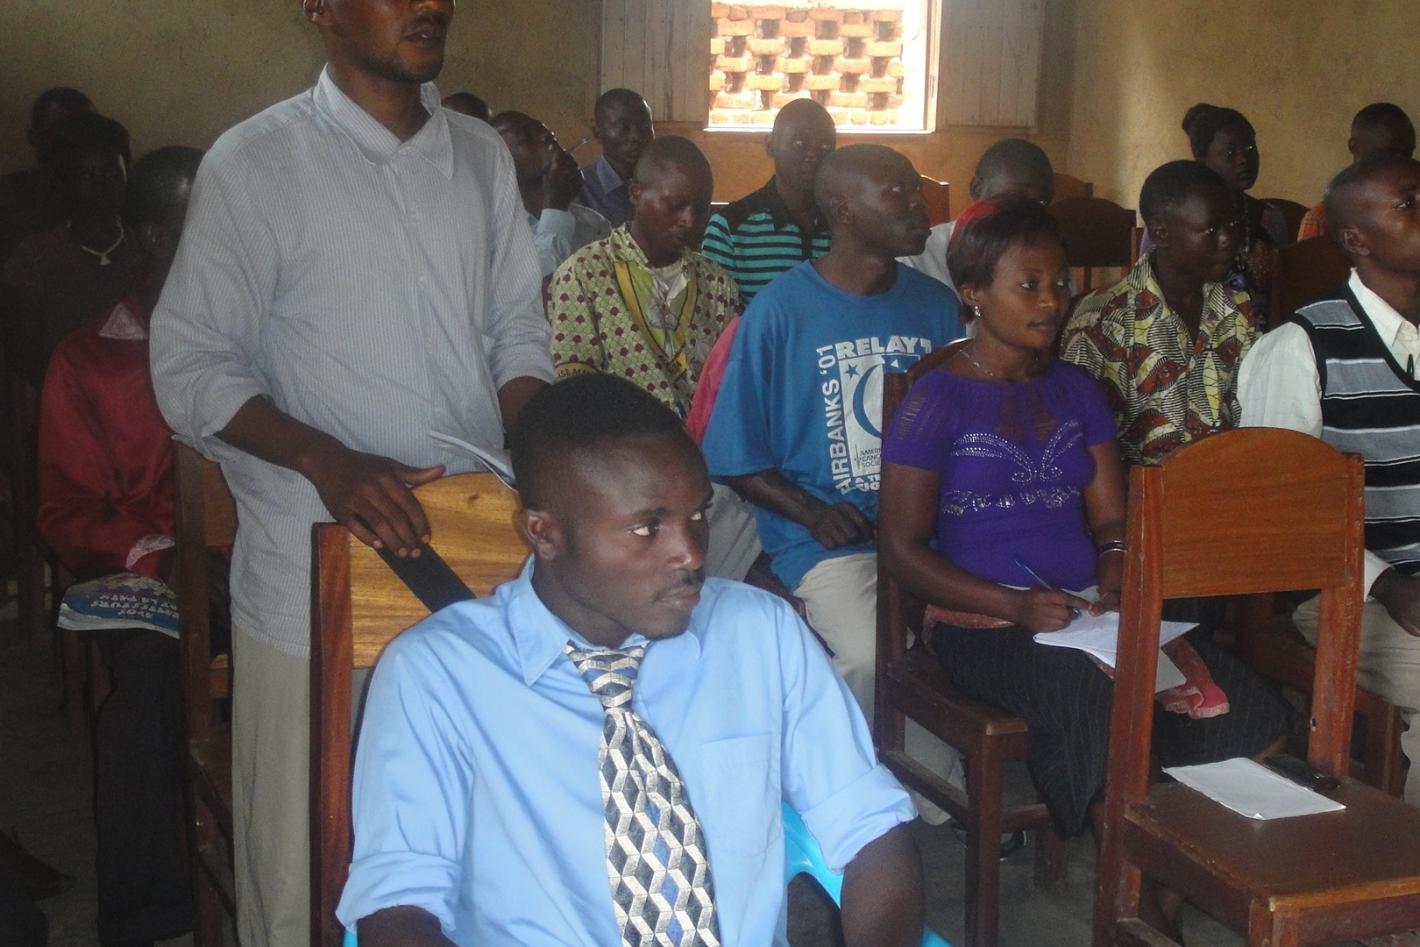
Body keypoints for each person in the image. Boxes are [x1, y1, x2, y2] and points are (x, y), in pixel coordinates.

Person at [148, 1, 554, 942]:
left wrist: (538, 450)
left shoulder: (479, 157)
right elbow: (190, 363)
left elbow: (516, 329)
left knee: (473, 856)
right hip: (313, 570)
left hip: (474, 568)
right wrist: (325, 460)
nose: (428, 4)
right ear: (319, 8)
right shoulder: (256, 164)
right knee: (307, 870)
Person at [337, 373, 924, 947]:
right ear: (544, 533)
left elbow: (870, 826)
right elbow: (397, 907)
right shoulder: (437, 674)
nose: (690, 553)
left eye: (698, 515)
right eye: (648, 528)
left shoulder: (758, 633)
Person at [879, 195, 1289, 843]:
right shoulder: (933, 403)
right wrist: (1013, 606)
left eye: (1061, 283)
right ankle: (1134, 869)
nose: (1052, 300)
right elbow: (900, 550)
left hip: (1089, 613)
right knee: (1101, 703)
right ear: (974, 292)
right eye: (1029, 285)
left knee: (1234, 697)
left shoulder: (1076, 390)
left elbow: (1110, 518)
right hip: (982, 623)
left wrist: (1116, 569)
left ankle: (1176, 849)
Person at [701, 144, 963, 792]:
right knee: (873, 654)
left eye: (917, 190)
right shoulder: (780, 312)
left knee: (992, 637)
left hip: (928, 532)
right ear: (843, 210)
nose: (919, 205)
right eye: (897, 193)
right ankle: (893, 795)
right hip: (827, 539)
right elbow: (731, 455)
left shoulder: (936, 307)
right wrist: (814, 513)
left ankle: (949, 778)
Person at [36, 145, 205, 947]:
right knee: (146, 683)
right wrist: (154, 552)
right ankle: (149, 908)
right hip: (147, 571)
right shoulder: (90, 358)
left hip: (246, 563)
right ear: (153, 238)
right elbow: (66, 509)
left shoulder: (264, 335)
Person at [1239, 154, 1420, 807]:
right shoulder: (1300, 347)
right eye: (1410, 203)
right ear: (1357, 239)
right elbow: (1277, 514)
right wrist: (1388, 584)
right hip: (1348, 597)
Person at [548, 136, 753, 580]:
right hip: (626, 479)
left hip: (710, 474)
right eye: (675, 205)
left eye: (701, 209)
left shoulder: (716, 282)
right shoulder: (584, 275)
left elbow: (731, 386)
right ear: (636, 194)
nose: (690, 221)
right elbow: (575, 395)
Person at [1061, 161, 1259, 467]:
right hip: (1135, 490)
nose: (1227, 239)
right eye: (1211, 229)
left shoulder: (1236, 308)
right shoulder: (1103, 319)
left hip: (1225, 483)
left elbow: (1251, 412)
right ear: (1160, 232)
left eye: (1231, 225)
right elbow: (1080, 439)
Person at [1, 111, 140, 389]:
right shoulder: (33, 260)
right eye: (87, 175)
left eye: (111, 172)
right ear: (63, 183)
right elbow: (23, 358)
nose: (102, 185)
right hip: (62, 396)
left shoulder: (146, 248)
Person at [701, 98, 835, 307]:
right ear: (770, 145)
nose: (813, 155)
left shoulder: (844, 223)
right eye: (799, 144)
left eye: (826, 146)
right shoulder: (730, 228)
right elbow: (717, 316)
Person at [899, 137, 1054, 291]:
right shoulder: (917, 261)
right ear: (977, 189)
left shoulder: (1050, 259)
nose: (1029, 214)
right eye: (1014, 200)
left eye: (1042, 202)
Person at [492, 110, 610, 278]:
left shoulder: (592, 222)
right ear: (501, 163)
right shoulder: (500, 235)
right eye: (525, 138)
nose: (546, 136)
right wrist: (556, 207)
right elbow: (538, 285)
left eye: (544, 130)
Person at [0, 87, 93, 268]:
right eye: (60, 132)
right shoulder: (6, 197)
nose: (73, 141)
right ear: (34, 138)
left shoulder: (107, 195)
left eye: (84, 131)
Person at [1297, 103, 1416, 241]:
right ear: (1354, 147)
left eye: (1407, 154)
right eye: (1387, 155)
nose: (1400, 164)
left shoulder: (1414, 210)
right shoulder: (1324, 219)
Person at [577, 88, 654, 227]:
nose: (636, 136)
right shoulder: (579, 189)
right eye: (623, 128)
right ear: (598, 134)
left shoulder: (665, 183)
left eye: (645, 125)